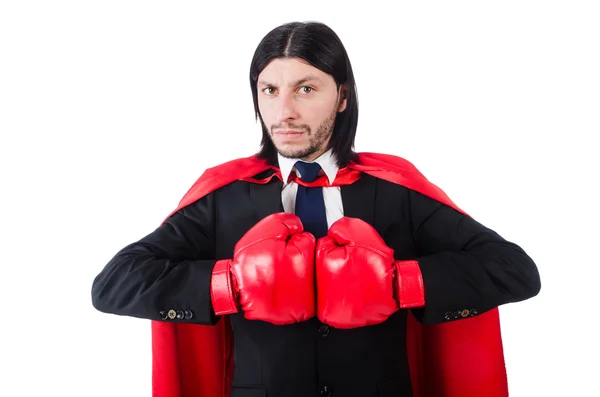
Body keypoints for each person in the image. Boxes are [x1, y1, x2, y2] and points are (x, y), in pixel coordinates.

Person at [91, 21, 541, 397]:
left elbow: (515, 270)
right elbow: (113, 285)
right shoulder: (223, 195)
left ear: (342, 97)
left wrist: (401, 286)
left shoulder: (396, 190)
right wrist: (230, 283)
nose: (283, 110)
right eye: (269, 89)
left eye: (306, 88)